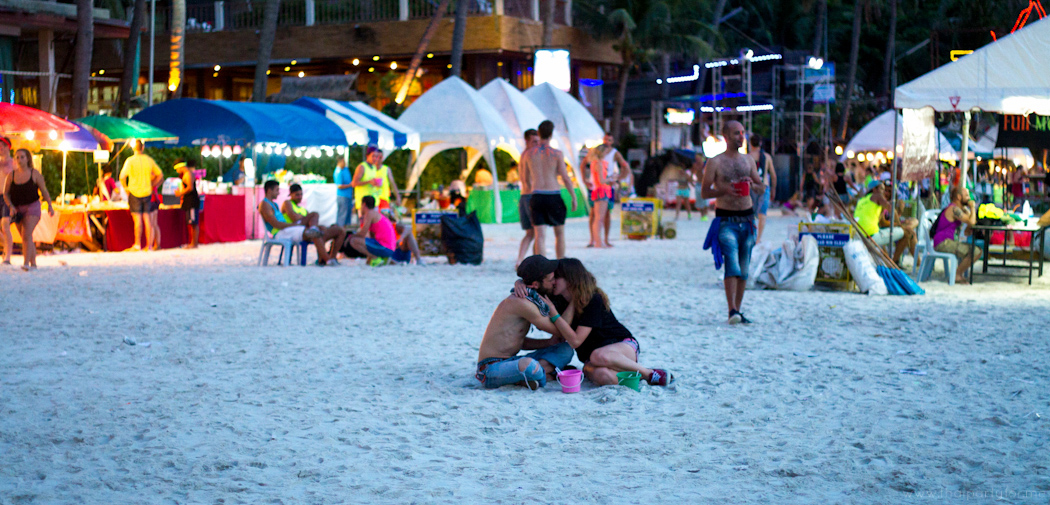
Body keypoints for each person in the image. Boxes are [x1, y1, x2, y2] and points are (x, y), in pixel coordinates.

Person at [545, 258, 672, 387]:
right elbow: (533, 288)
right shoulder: (559, 300)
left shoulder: (593, 299)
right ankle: (634, 378)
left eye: (557, 277)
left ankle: (649, 373)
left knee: (598, 355)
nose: (553, 281)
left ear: (570, 279)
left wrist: (554, 314)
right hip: (593, 360)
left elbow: (575, 341)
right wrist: (522, 284)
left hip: (620, 346)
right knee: (603, 376)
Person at [475, 255, 575, 389]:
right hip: (490, 368)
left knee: (566, 349)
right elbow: (561, 330)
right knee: (529, 365)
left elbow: (519, 341)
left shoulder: (532, 297)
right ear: (535, 284)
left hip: (511, 361)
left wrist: (549, 343)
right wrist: (574, 301)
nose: (554, 283)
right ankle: (543, 375)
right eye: (551, 280)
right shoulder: (523, 303)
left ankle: (529, 377)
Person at [700, 121, 765, 324]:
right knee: (732, 263)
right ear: (726, 136)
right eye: (737, 133)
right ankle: (731, 310)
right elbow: (704, 192)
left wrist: (754, 186)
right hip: (725, 218)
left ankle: (738, 310)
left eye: (743, 132)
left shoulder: (748, 161)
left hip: (747, 218)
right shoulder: (715, 162)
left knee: (744, 269)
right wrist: (725, 190)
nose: (741, 136)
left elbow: (762, 187)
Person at [523, 120, 577, 258]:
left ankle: (541, 268)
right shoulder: (557, 154)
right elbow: (565, 177)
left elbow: (525, 178)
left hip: (537, 195)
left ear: (539, 133)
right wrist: (573, 197)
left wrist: (531, 189)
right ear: (551, 134)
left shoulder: (529, 154)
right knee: (559, 233)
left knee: (539, 235)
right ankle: (560, 263)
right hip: (553, 195)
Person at [258, 180, 342, 266]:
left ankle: (327, 259)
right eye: (277, 190)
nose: (278, 193)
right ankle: (328, 260)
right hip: (280, 233)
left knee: (315, 230)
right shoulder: (265, 205)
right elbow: (276, 224)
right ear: (269, 190)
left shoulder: (274, 204)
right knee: (313, 232)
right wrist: (294, 225)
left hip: (286, 230)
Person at [2, 149, 55, 270]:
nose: (19, 160)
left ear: (27, 159)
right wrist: (11, 206)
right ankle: (33, 263)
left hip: (33, 207)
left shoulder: (34, 174)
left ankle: (26, 263)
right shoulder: (12, 175)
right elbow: (6, 193)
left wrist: (50, 206)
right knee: (26, 237)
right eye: (17, 157)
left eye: (22, 157)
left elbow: (44, 191)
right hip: (18, 209)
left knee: (26, 234)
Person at [853, 180, 918, 265]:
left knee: (910, 228)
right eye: (882, 189)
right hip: (871, 235)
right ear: (874, 189)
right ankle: (893, 263)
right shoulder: (877, 196)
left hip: (858, 235)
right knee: (908, 232)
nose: (884, 192)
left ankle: (894, 262)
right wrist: (899, 225)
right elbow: (892, 211)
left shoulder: (862, 200)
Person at [119, 140, 163, 251]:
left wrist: (126, 188)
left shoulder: (130, 161)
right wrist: (153, 185)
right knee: (147, 219)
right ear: (142, 147)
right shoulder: (149, 160)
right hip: (147, 192)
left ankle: (137, 244)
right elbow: (160, 175)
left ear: (133, 148)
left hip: (134, 192)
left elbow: (122, 176)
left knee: (137, 219)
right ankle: (149, 245)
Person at [931, 186, 981, 283]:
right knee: (976, 251)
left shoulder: (959, 209)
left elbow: (967, 231)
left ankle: (957, 274)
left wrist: (969, 212)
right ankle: (957, 275)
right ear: (959, 197)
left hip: (946, 241)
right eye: (966, 195)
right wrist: (972, 207)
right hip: (943, 243)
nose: (969, 198)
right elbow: (972, 222)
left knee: (976, 250)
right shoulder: (954, 209)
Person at [590, 134, 629, 247]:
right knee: (599, 218)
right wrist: (612, 179)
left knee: (598, 217)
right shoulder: (600, 163)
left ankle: (598, 240)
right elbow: (602, 180)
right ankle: (598, 241)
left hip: (598, 190)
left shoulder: (595, 162)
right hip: (602, 190)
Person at [347, 195, 406, 266]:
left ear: (364, 204)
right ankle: (378, 258)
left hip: (385, 247)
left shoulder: (370, 214)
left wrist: (350, 236)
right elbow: (372, 237)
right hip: (390, 247)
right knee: (363, 241)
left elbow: (362, 234)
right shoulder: (375, 214)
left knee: (353, 241)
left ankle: (375, 258)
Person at [352, 145, 402, 212]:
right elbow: (355, 183)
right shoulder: (365, 167)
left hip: (381, 200)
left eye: (378, 157)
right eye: (374, 156)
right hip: (368, 202)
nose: (376, 159)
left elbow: (393, 184)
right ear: (368, 156)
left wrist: (397, 197)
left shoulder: (383, 169)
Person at [516, 128, 539, 267]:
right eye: (534, 141)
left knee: (530, 233)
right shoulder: (531, 155)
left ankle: (520, 259)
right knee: (537, 232)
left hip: (524, 195)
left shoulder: (522, 154)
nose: (537, 143)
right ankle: (536, 260)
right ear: (527, 140)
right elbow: (529, 178)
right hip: (531, 195)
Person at [748, 134, 777, 242]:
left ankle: (751, 235)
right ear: (760, 143)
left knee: (749, 213)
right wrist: (773, 189)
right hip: (764, 187)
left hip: (751, 188)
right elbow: (773, 175)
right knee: (762, 214)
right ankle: (759, 238)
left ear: (750, 143)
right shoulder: (767, 157)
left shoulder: (748, 156)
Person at [174, 160, 201, 249]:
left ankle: (194, 243)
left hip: (192, 201)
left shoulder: (188, 174)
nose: (177, 171)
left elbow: (190, 188)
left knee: (193, 223)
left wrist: (180, 193)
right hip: (189, 201)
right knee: (191, 222)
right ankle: (192, 243)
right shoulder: (188, 173)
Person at [0, 137, 12, 260]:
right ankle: (6, 246)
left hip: (8, 197)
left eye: (2, 145)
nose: (0, 148)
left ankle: (7, 257)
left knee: (5, 225)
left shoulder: (14, 163)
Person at [333, 158, 354, 228]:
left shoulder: (345, 169)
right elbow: (339, 186)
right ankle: (339, 232)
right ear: (340, 162)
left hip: (348, 196)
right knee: (342, 216)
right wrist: (350, 185)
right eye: (343, 162)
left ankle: (345, 233)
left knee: (347, 216)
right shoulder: (338, 171)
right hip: (342, 196)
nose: (345, 163)